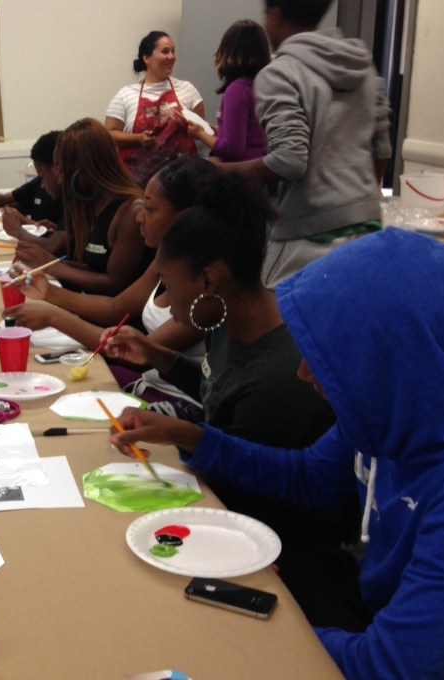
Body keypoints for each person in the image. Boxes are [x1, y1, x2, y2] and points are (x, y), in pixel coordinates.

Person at [111, 229, 444, 680]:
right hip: (369, 600)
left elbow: (392, 666)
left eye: (333, 359)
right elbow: (309, 476)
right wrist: (190, 435)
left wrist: (251, 636)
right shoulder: (390, 409)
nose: (304, 372)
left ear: (391, 362)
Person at [103, 173, 342, 549]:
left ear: (209, 281)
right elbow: (219, 386)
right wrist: (159, 357)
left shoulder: (281, 376)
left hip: (274, 535)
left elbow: (246, 482)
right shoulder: (226, 316)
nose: (164, 296)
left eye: (166, 282)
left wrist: (179, 433)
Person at [4, 158, 211, 418]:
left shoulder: (207, 286)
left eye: (149, 208)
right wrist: (50, 293)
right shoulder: (166, 258)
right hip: (150, 386)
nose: (140, 215)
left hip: (177, 401)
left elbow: (135, 353)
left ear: (186, 217)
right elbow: (116, 307)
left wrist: (53, 315)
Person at [218, 0, 391, 288]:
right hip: (367, 231)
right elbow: (381, 147)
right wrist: (361, 195)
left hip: (308, 235)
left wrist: (223, 171)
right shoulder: (362, 67)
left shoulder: (279, 73)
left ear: (275, 14)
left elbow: (289, 160)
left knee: (275, 322)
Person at [15, 119, 148, 296]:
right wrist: (46, 262)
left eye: (62, 170)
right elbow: (92, 268)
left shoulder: (131, 211)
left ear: (82, 168)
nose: (61, 180)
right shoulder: (95, 205)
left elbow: (115, 284)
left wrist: (52, 265)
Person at [105, 31, 205, 186]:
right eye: (165, 51)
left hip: (183, 183)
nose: (171, 57)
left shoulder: (187, 90)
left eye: (173, 51)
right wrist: (138, 139)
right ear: (146, 58)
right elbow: (108, 135)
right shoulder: (125, 95)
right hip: (137, 185)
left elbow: (201, 132)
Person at [186, 20, 270, 162]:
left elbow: (232, 149)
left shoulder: (237, 90)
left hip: (240, 172)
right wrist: (218, 131)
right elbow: (250, 135)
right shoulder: (260, 84)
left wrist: (200, 133)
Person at [0, 131, 65, 245]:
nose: (42, 184)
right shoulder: (39, 184)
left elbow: (53, 247)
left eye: (42, 175)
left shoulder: (73, 200)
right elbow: (5, 199)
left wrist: (18, 229)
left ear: (57, 167)